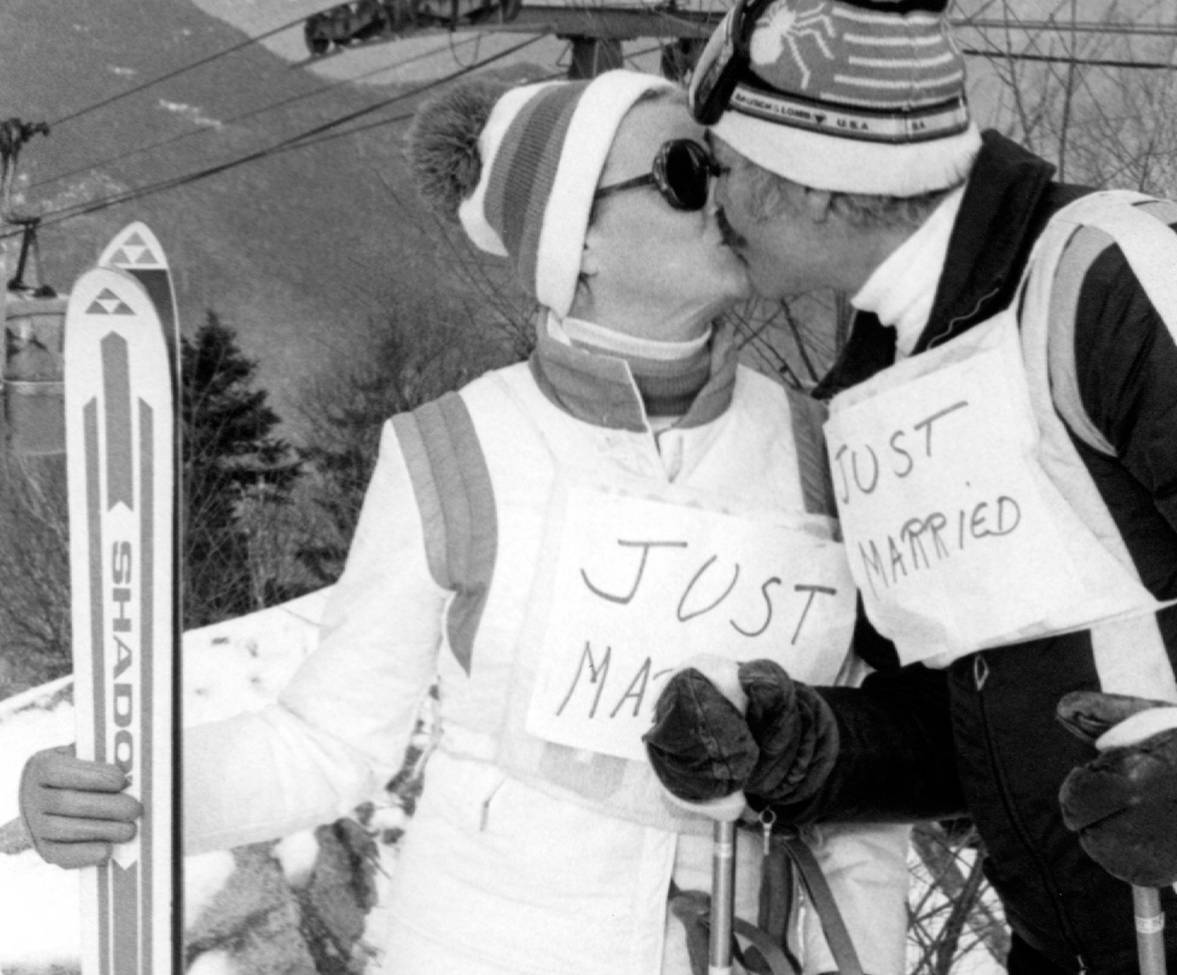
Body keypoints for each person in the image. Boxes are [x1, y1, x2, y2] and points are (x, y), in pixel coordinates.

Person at [19, 69, 911, 975]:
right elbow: (329, 741)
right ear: (580, 241)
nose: (727, 192)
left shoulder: (816, 447)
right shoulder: (458, 448)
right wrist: (124, 783)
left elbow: (865, 770)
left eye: (724, 162)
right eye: (687, 170)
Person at [642, 2, 1177, 974]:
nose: (709, 210)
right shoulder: (869, 393)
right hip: (1067, 946)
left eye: (712, 169)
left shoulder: (1111, 276)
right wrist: (805, 748)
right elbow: (975, 708)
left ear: (817, 176)